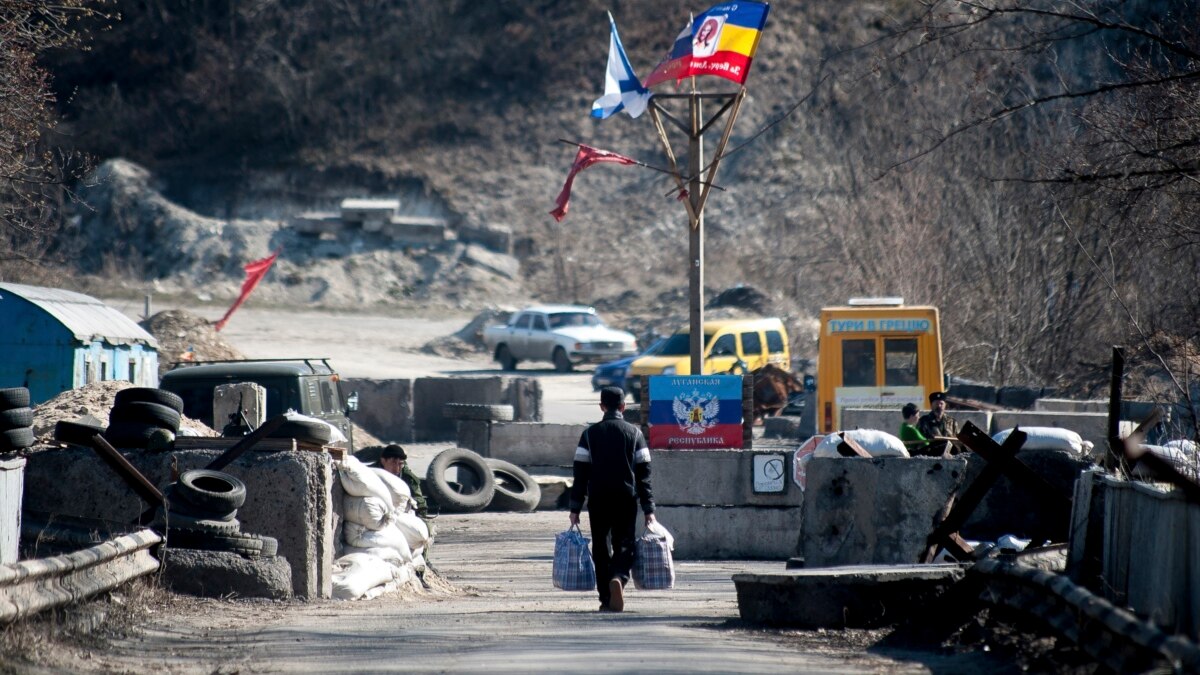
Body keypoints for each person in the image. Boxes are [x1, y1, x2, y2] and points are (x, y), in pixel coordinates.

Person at [569, 386, 657, 613]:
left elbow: (580, 474)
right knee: (624, 544)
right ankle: (618, 577)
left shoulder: (589, 435)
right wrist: (649, 508)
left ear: (602, 407)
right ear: (623, 407)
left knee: (600, 546)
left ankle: (605, 598)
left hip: (598, 499)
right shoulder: (636, 434)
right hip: (626, 499)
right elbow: (644, 475)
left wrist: (575, 507)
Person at [379, 444, 430, 520]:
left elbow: (420, 502)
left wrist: (410, 502)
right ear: (383, 461)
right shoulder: (372, 473)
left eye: (400, 464)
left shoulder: (407, 476)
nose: (397, 469)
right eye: (393, 463)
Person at [917, 391, 959, 456]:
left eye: (941, 404)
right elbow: (919, 442)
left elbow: (957, 440)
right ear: (931, 405)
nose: (939, 406)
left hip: (950, 455)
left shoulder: (952, 422)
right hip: (931, 454)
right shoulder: (924, 421)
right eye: (936, 403)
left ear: (945, 405)